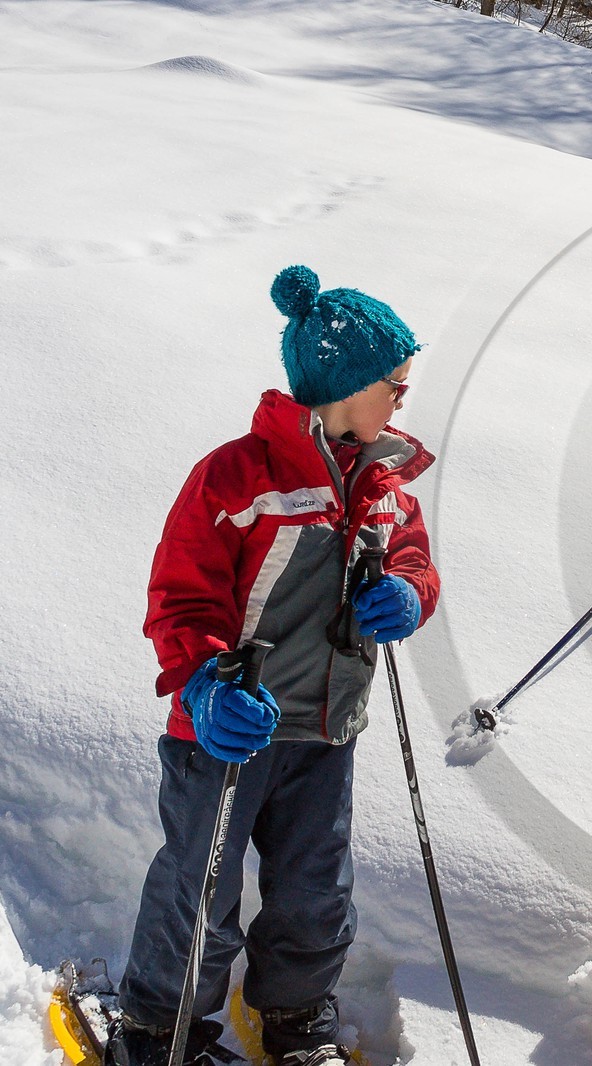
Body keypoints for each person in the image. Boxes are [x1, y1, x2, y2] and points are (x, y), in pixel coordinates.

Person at [108, 266, 440, 1066]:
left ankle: (296, 1020)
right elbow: (179, 599)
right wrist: (202, 683)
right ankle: (156, 1031)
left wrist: (407, 594)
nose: (403, 395)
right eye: (394, 381)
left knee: (314, 893)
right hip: (227, 732)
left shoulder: (389, 486)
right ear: (348, 382)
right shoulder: (238, 477)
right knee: (202, 893)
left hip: (327, 731)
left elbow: (418, 566)